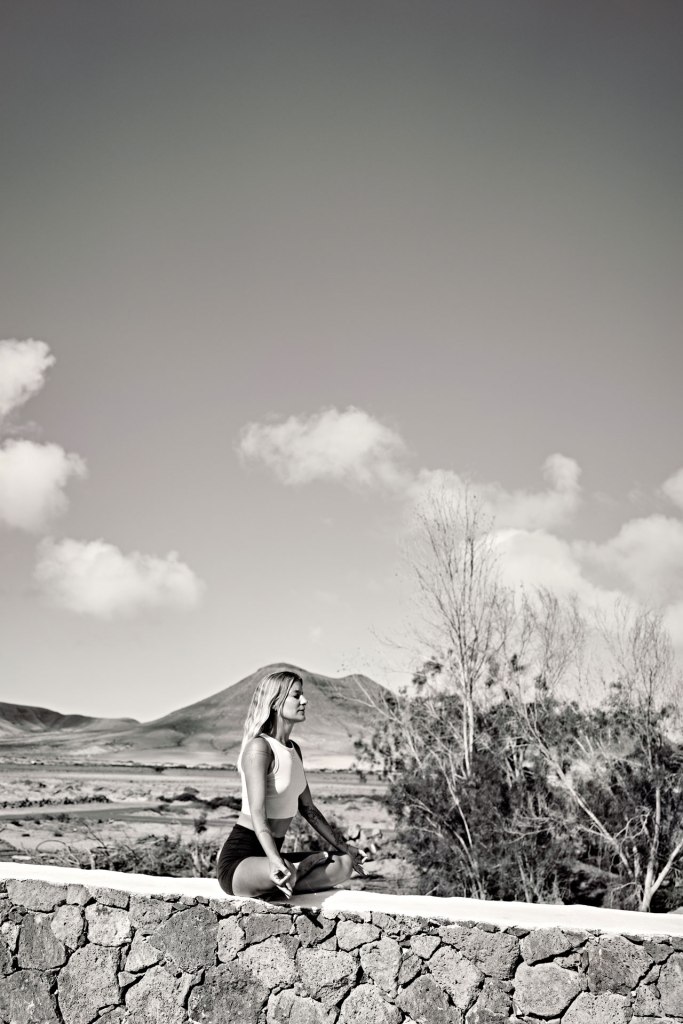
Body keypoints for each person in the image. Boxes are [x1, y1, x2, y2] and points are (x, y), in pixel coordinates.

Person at [217, 668, 366, 899]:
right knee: (285, 869)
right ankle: (291, 871)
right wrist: (275, 859)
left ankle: (290, 874)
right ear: (275, 702)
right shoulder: (260, 748)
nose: (304, 701)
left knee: (344, 864)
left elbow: (308, 809)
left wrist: (344, 847)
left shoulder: (294, 749)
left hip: (275, 855)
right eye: (296, 695)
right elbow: (258, 812)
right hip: (241, 862)